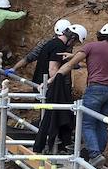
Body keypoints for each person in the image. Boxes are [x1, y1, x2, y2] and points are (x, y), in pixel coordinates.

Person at [53, 22, 108, 167]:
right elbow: (97, 61)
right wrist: (75, 55)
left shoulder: (91, 46)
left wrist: (53, 79)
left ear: (101, 33)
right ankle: (98, 155)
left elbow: (70, 65)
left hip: (96, 89)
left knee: (87, 122)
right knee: (101, 124)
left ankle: (94, 155)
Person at [32, 24, 84, 154]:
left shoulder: (51, 43)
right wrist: (53, 82)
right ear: (72, 38)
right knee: (54, 119)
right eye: (76, 42)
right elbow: (53, 69)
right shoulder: (59, 46)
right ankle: (52, 149)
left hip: (41, 84)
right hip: (49, 88)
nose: (74, 45)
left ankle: (52, 148)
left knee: (49, 118)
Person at [17, 18, 73, 84]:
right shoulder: (58, 45)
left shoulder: (48, 43)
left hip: (42, 80)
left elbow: (30, 57)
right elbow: (53, 68)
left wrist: (13, 68)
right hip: (50, 82)